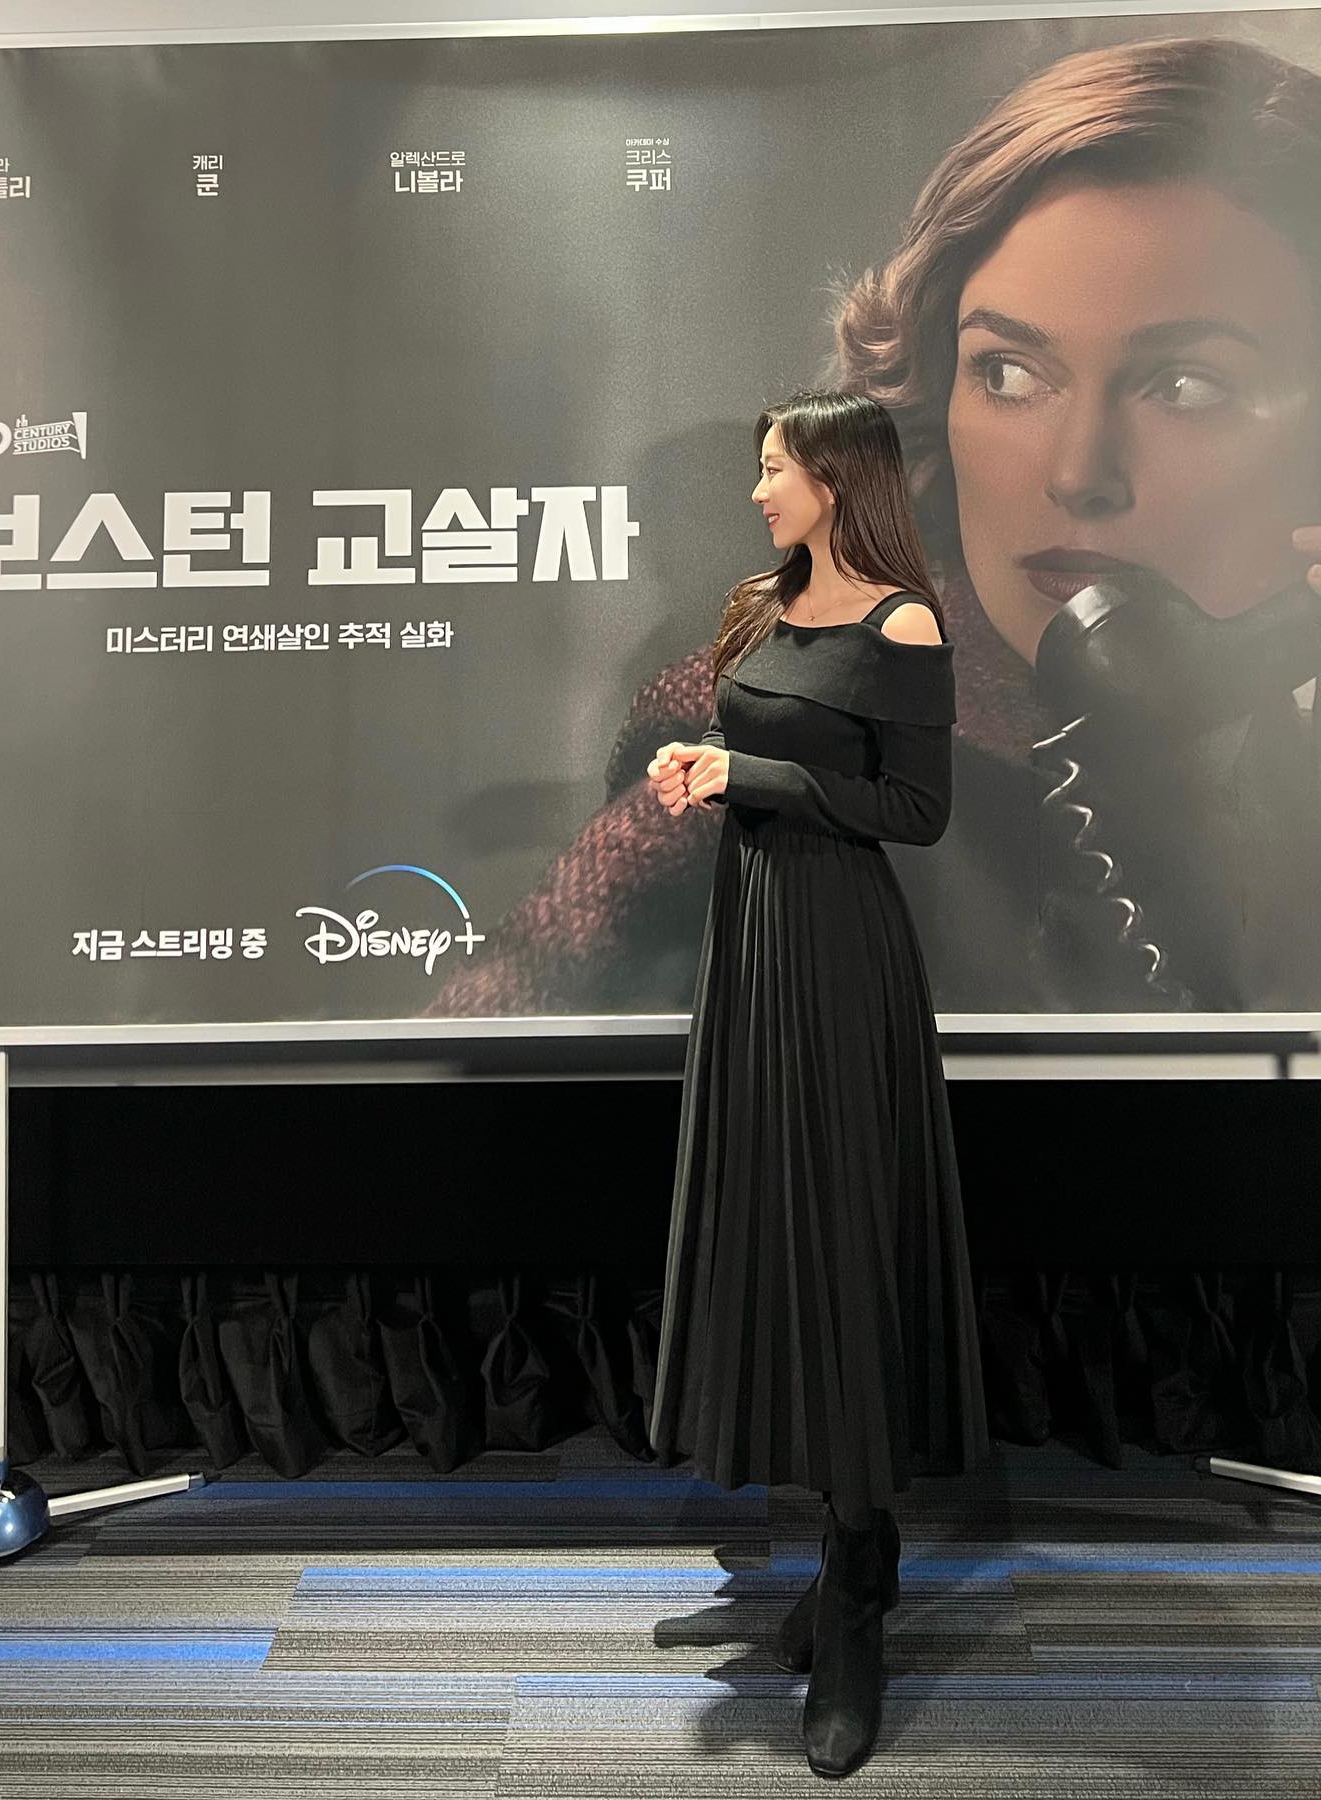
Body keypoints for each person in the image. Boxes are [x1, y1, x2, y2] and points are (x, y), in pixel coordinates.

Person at [421, 33, 1321, 1021]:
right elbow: (473, 1063)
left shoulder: (1271, 759)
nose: (1077, 475)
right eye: (1009, 373)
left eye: (1186, 386)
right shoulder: (788, 745)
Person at [644, 389, 987, 1781]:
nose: (759, 491)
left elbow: (918, 813)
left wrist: (757, 775)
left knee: (842, 1242)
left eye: (775, 469)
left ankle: (852, 1598)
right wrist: (707, 772)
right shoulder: (762, 605)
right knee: (777, 1237)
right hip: (754, 945)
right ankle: (859, 1545)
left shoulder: (905, 627)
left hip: (842, 960)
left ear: (837, 479)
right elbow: (764, 757)